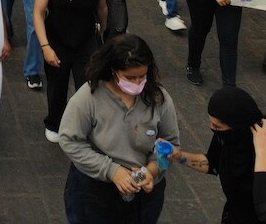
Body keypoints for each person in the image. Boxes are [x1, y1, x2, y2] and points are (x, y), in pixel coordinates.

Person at [58, 35, 178, 224]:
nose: (138, 83)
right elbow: (69, 141)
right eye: (130, 78)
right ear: (113, 71)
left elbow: (170, 143)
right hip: (94, 193)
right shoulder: (88, 98)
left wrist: (153, 170)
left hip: (143, 197)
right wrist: (112, 171)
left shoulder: (159, 99)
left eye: (142, 76)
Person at [166, 86, 266, 224]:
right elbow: (213, 163)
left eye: (218, 127)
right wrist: (179, 156)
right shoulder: (229, 136)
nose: (213, 129)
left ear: (238, 125)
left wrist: (262, 152)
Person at [35, 0, 108, 143]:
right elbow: (39, 13)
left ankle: (83, 125)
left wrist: (101, 31)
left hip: (85, 41)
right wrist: (45, 46)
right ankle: (54, 123)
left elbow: (102, 9)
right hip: (57, 40)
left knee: (88, 87)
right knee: (57, 86)